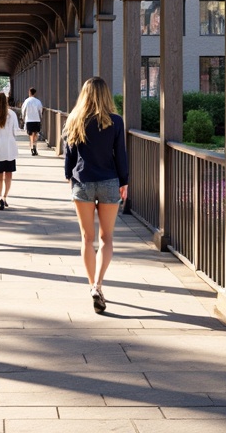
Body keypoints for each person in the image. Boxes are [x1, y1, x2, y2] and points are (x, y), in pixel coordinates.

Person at [62, 76, 128, 314]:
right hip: (109, 181)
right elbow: (120, 154)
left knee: (86, 238)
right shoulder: (116, 122)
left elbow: (69, 154)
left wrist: (69, 175)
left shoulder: (74, 120)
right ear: (105, 95)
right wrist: (124, 181)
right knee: (106, 238)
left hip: (83, 182)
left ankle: (91, 285)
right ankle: (99, 284)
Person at [21, 87, 44, 155]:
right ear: (35, 93)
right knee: (35, 134)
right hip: (36, 119)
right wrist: (40, 117)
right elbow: (40, 110)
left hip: (29, 120)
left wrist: (23, 118)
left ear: (29, 92)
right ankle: (34, 146)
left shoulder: (27, 101)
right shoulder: (38, 101)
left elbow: (23, 110)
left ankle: (31, 147)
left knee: (30, 134)